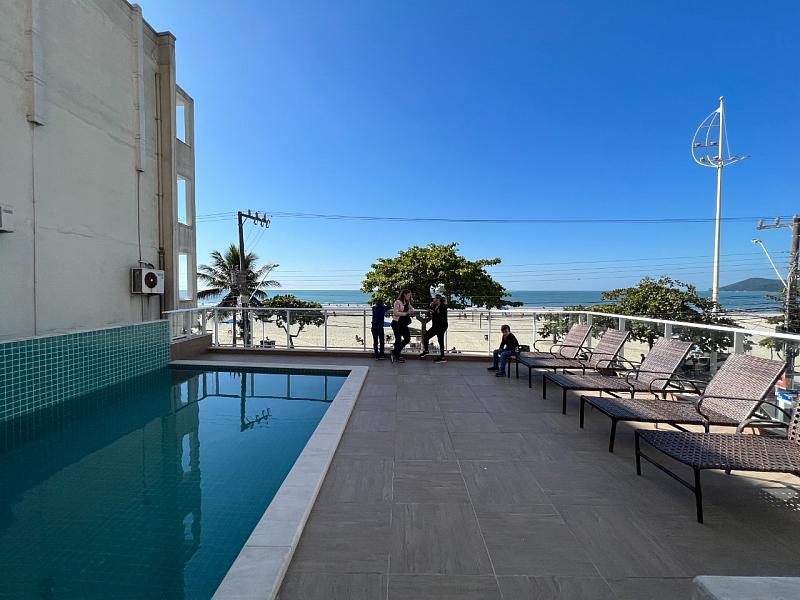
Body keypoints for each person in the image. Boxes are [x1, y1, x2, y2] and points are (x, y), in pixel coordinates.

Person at [420, 295, 448, 363]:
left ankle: (442, 357)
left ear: (438, 300)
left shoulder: (443, 306)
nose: (433, 300)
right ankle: (426, 351)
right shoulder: (434, 305)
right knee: (426, 336)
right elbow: (427, 307)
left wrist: (433, 312)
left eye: (434, 299)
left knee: (440, 340)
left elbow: (440, 315)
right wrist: (430, 305)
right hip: (435, 326)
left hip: (441, 326)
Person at [390, 289, 414, 363]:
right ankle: (397, 355)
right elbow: (395, 313)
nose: (409, 296)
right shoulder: (397, 302)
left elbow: (412, 309)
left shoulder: (407, 302)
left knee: (407, 339)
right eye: (408, 295)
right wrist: (406, 313)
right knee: (398, 340)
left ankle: (395, 352)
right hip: (396, 323)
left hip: (403, 324)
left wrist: (410, 311)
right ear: (404, 294)